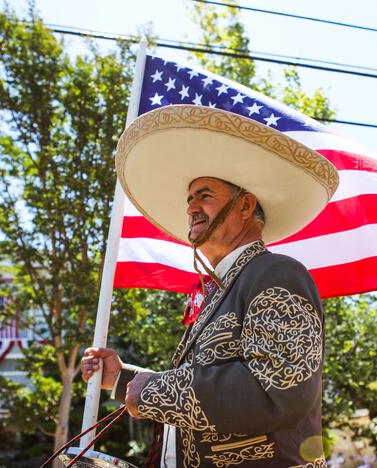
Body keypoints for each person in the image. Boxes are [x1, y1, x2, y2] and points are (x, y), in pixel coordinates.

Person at [81, 105, 339, 467]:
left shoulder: (277, 273)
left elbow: (277, 391)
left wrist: (152, 391)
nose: (191, 209)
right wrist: (121, 378)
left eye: (204, 195)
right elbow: (207, 383)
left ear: (245, 205)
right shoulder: (220, 289)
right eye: (189, 200)